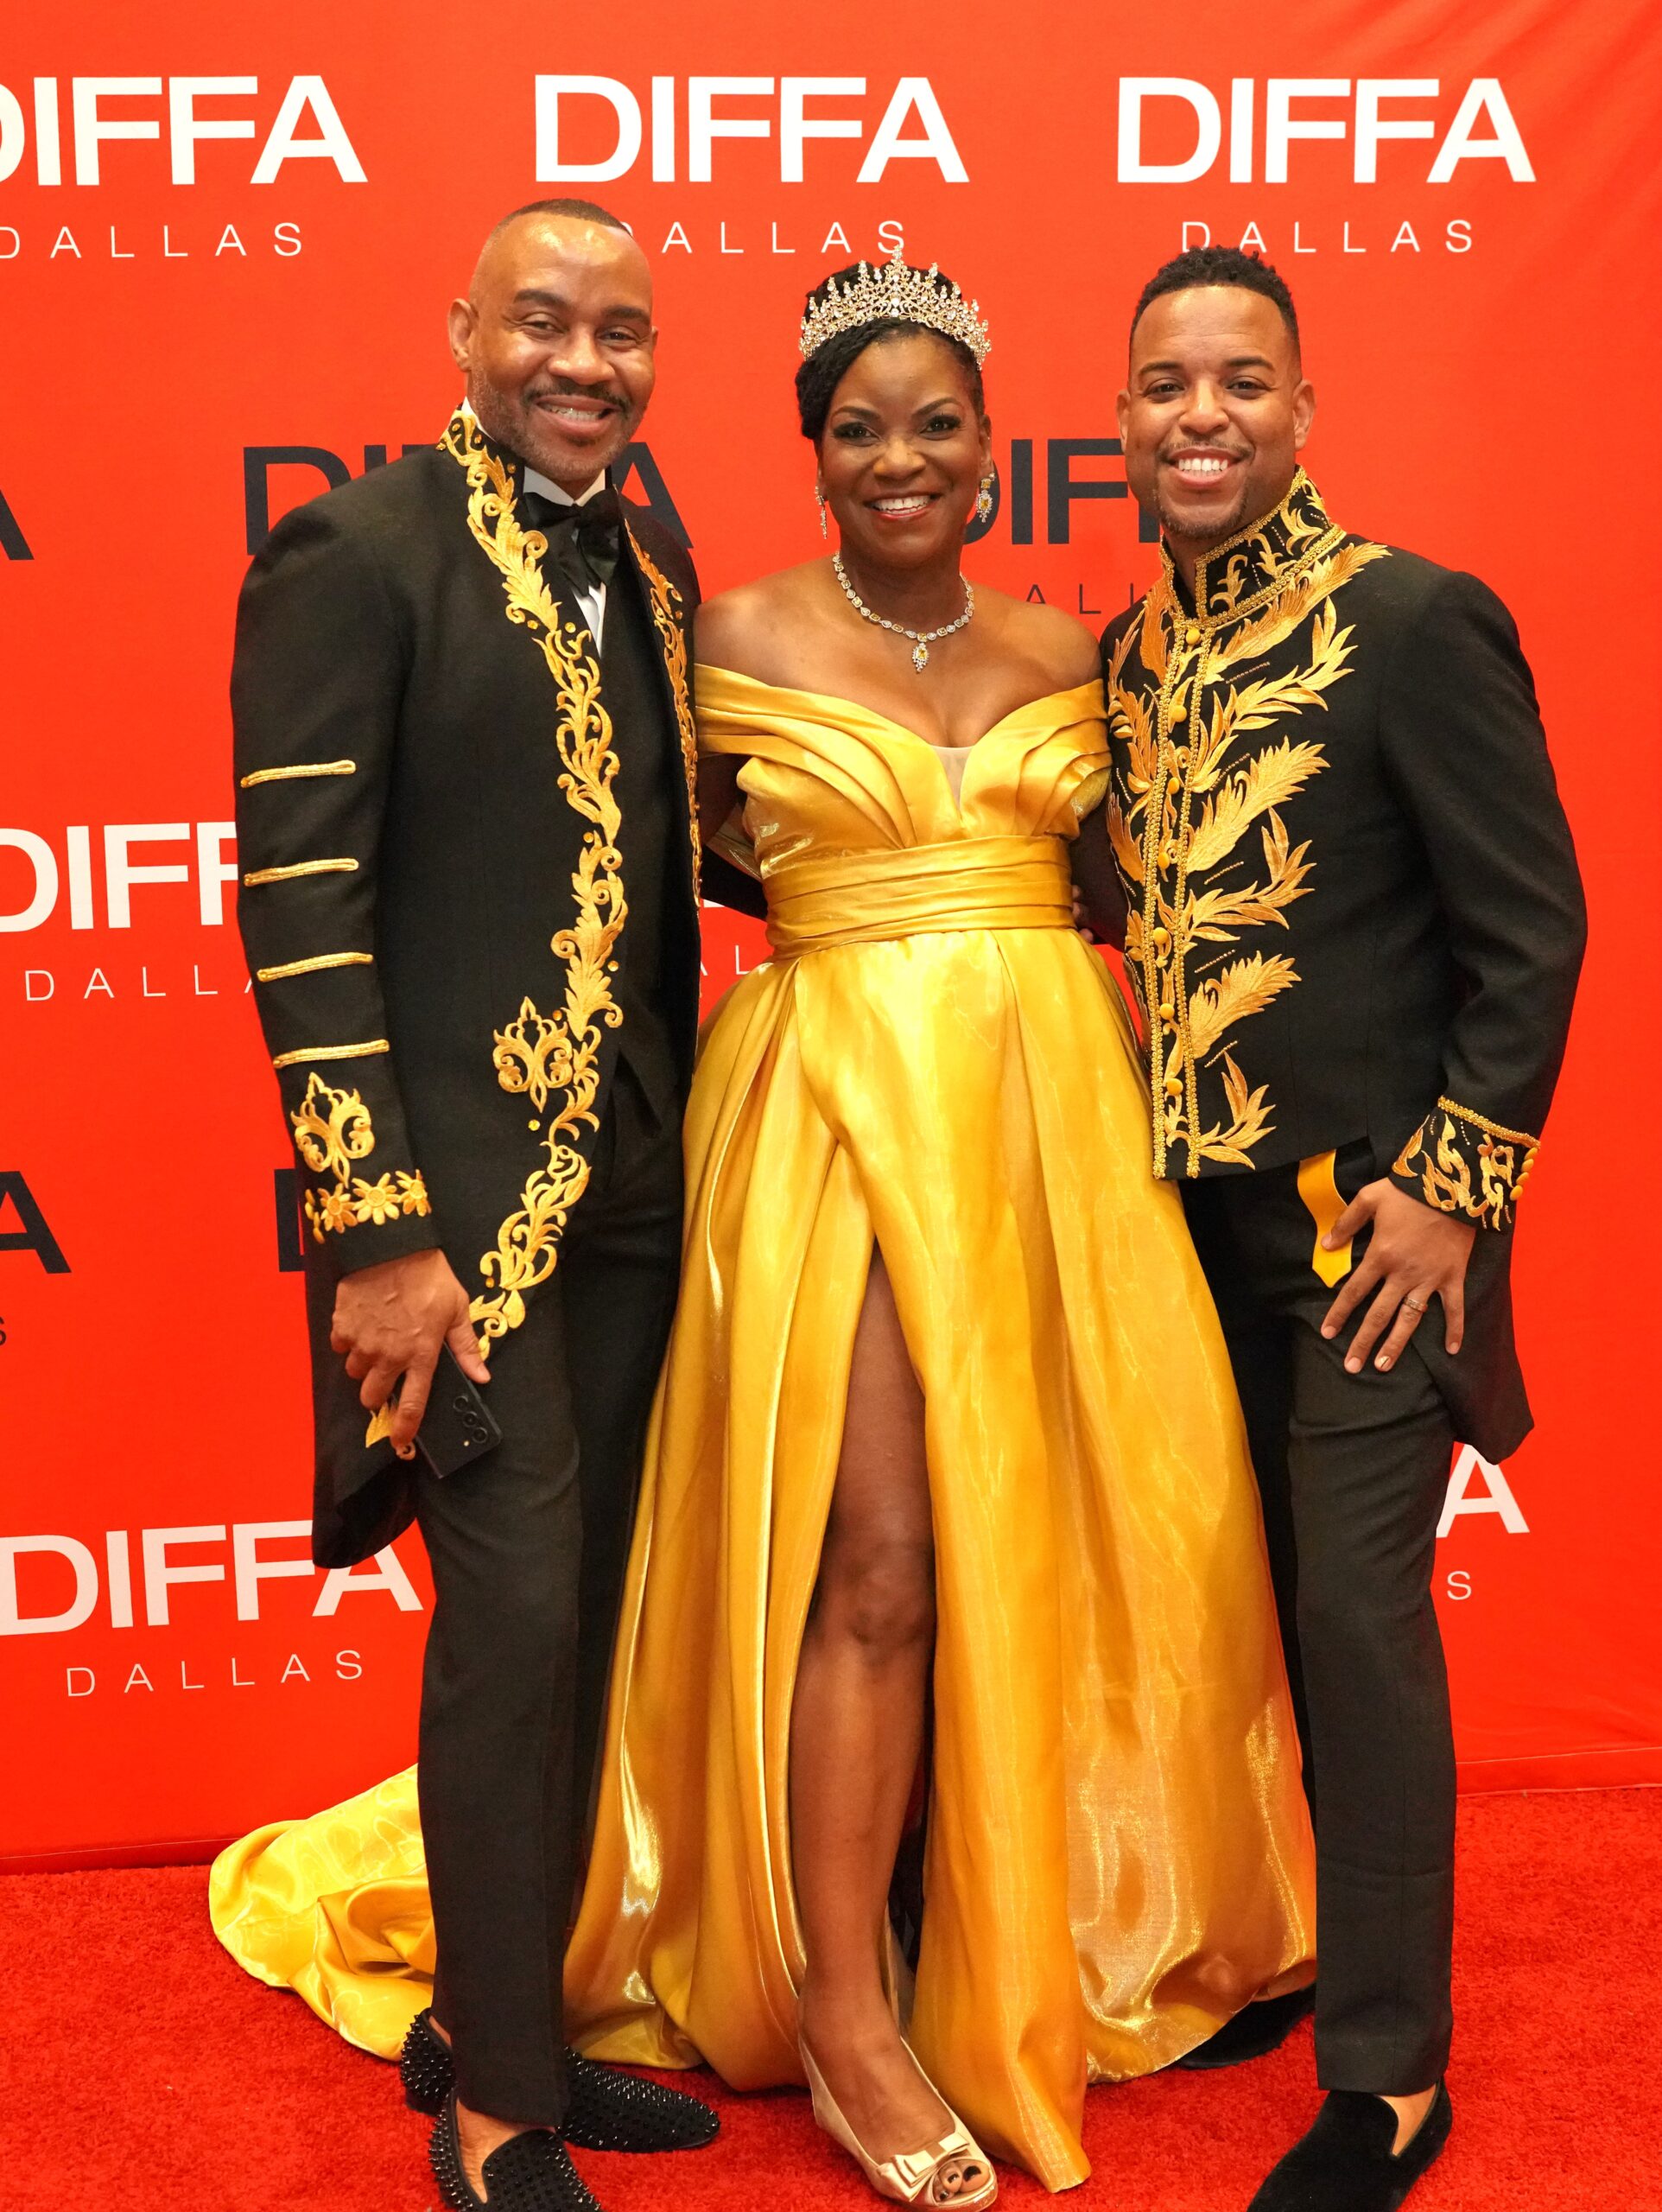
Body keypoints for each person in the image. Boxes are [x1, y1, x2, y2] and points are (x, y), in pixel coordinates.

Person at [558, 250, 1316, 2200]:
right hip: (836, 1115)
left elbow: (1147, 888)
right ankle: (845, 2014)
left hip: (1053, 1124)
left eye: (935, 425)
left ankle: (1014, 1921)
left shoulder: (1073, 652)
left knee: (1062, 1536)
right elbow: (639, 861)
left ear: (993, 446)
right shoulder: (722, 630)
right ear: (813, 452)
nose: (899, 459)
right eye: (857, 430)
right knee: (880, 1561)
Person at [215, 199, 720, 2212]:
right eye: (543, 321)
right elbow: (300, 907)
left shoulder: (654, 565)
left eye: (620, 330)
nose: (584, 362)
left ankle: (500, 2010)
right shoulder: (355, 551)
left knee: (584, 1619)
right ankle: (501, 2110)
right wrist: (378, 1232)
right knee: (508, 1621)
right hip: (460, 1228)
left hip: (636, 1188)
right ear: (462, 330)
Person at [1101, 245, 1586, 2212]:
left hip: (1367, 1237)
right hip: (1182, 1237)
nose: (1200, 415)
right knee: (1244, 1611)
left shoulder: (1410, 617)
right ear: (1120, 422)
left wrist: (1450, 1191)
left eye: (1240, 380)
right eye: (1165, 385)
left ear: (1304, 409)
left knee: (1357, 1629)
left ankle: (1389, 2072)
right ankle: (1287, 1951)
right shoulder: (1129, 661)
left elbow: (1529, 932)